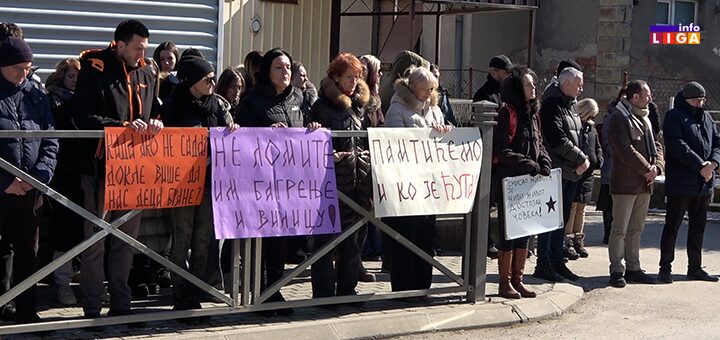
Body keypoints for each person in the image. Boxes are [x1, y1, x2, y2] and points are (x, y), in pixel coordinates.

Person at [73, 19, 164, 318]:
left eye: (145, 49)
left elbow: (156, 109)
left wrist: (156, 122)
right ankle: (91, 307)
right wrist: (123, 128)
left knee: (126, 242)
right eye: (137, 48)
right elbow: (83, 117)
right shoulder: (93, 67)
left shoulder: (149, 72)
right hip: (101, 168)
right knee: (95, 241)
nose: (142, 54)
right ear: (120, 44)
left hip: (135, 170)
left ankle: (122, 305)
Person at [234, 48, 321, 316]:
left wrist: (312, 129)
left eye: (287, 68)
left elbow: (302, 127)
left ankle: (275, 288)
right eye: (278, 68)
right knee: (261, 236)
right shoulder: (252, 101)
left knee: (281, 238)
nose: (285, 73)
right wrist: (265, 133)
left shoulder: (298, 98)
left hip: (288, 181)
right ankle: (257, 293)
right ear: (266, 72)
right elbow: (242, 137)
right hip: (259, 181)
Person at [162, 54, 238, 316]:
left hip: (210, 183)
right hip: (182, 185)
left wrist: (231, 130)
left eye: (214, 77)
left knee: (203, 239)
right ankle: (180, 291)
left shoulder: (217, 104)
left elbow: (227, 127)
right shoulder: (175, 104)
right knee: (182, 238)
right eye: (207, 78)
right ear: (193, 80)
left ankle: (195, 287)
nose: (213, 82)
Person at [0, 37, 59, 323]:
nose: (23, 73)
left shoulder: (37, 94)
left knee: (29, 251)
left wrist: (37, 177)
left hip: (30, 188)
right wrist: (4, 181)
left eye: (27, 67)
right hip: (3, 188)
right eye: (16, 68)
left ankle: (26, 310)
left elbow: (50, 138)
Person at [309, 52, 373, 299]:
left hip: (357, 183)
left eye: (357, 77)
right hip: (330, 183)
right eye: (349, 77)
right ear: (335, 77)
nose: (354, 82)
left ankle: (348, 289)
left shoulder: (359, 106)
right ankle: (324, 294)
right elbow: (311, 145)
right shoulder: (321, 106)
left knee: (353, 241)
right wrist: (329, 154)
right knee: (325, 240)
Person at [383, 66, 452, 293]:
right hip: (406, 184)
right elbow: (394, 144)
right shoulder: (396, 109)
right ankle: (404, 289)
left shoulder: (434, 109)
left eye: (431, 89)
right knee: (406, 236)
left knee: (425, 234)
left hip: (428, 183)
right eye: (424, 89)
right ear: (411, 87)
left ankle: (423, 285)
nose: (428, 93)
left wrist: (444, 131)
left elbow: (443, 139)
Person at [491, 65, 549, 299]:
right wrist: (528, 164)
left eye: (534, 84)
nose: (533, 87)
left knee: (525, 232)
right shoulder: (507, 113)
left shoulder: (533, 113)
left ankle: (519, 280)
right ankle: (504, 283)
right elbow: (500, 149)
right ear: (517, 87)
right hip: (510, 182)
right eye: (528, 84)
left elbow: (540, 142)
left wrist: (544, 161)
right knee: (508, 234)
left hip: (529, 183)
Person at [658, 81, 720, 284]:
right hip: (681, 183)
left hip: (704, 182)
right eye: (695, 101)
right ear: (686, 100)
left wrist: (713, 163)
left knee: (698, 227)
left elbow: (717, 142)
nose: (699, 104)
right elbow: (677, 145)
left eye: (702, 100)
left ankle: (695, 268)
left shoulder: (707, 117)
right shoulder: (674, 116)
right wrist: (700, 165)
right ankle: (665, 268)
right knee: (672, 225)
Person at [606, 79, 664, 288]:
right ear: (635, 97)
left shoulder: (646, 117)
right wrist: (646, 169)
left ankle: (633, 268)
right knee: (619, 229)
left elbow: (657, 144)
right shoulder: (618, 117)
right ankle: (616, 270)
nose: (650, 99)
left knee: (636, 229)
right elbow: (624, 149)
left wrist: (657, 167)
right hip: (625, 183)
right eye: (647, 95)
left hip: (644, 183)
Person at [535, 67, 588, 282]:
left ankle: (558, 261)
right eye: (579, 83)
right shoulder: (551, 104)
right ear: (567, 84)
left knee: (561, 220)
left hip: (571, 172)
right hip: (556, 171)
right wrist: (580, 158)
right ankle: (544, 263)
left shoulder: (571, 105)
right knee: (549, 220)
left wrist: (582, 161)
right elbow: (557, 138)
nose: (582, 87)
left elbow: (579, 135)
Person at [45, 57, 83, 306]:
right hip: (60, 173)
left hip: (81, 172)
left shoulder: (86, 100)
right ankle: (62, 283)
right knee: (63, 231)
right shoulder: (51, 100)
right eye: (71, 77)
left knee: (82, 230)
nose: (75, 83)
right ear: (61, 77)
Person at [565, 98, 603, 259]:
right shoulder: (576, 126)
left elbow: (597, 146)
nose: (592, 119)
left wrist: (599, 159)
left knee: (582, 208)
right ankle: (568, 240)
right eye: (590, 115)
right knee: (572, 207)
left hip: (589, 174)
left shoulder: (591, 129)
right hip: (577, 171)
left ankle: (579, 239)